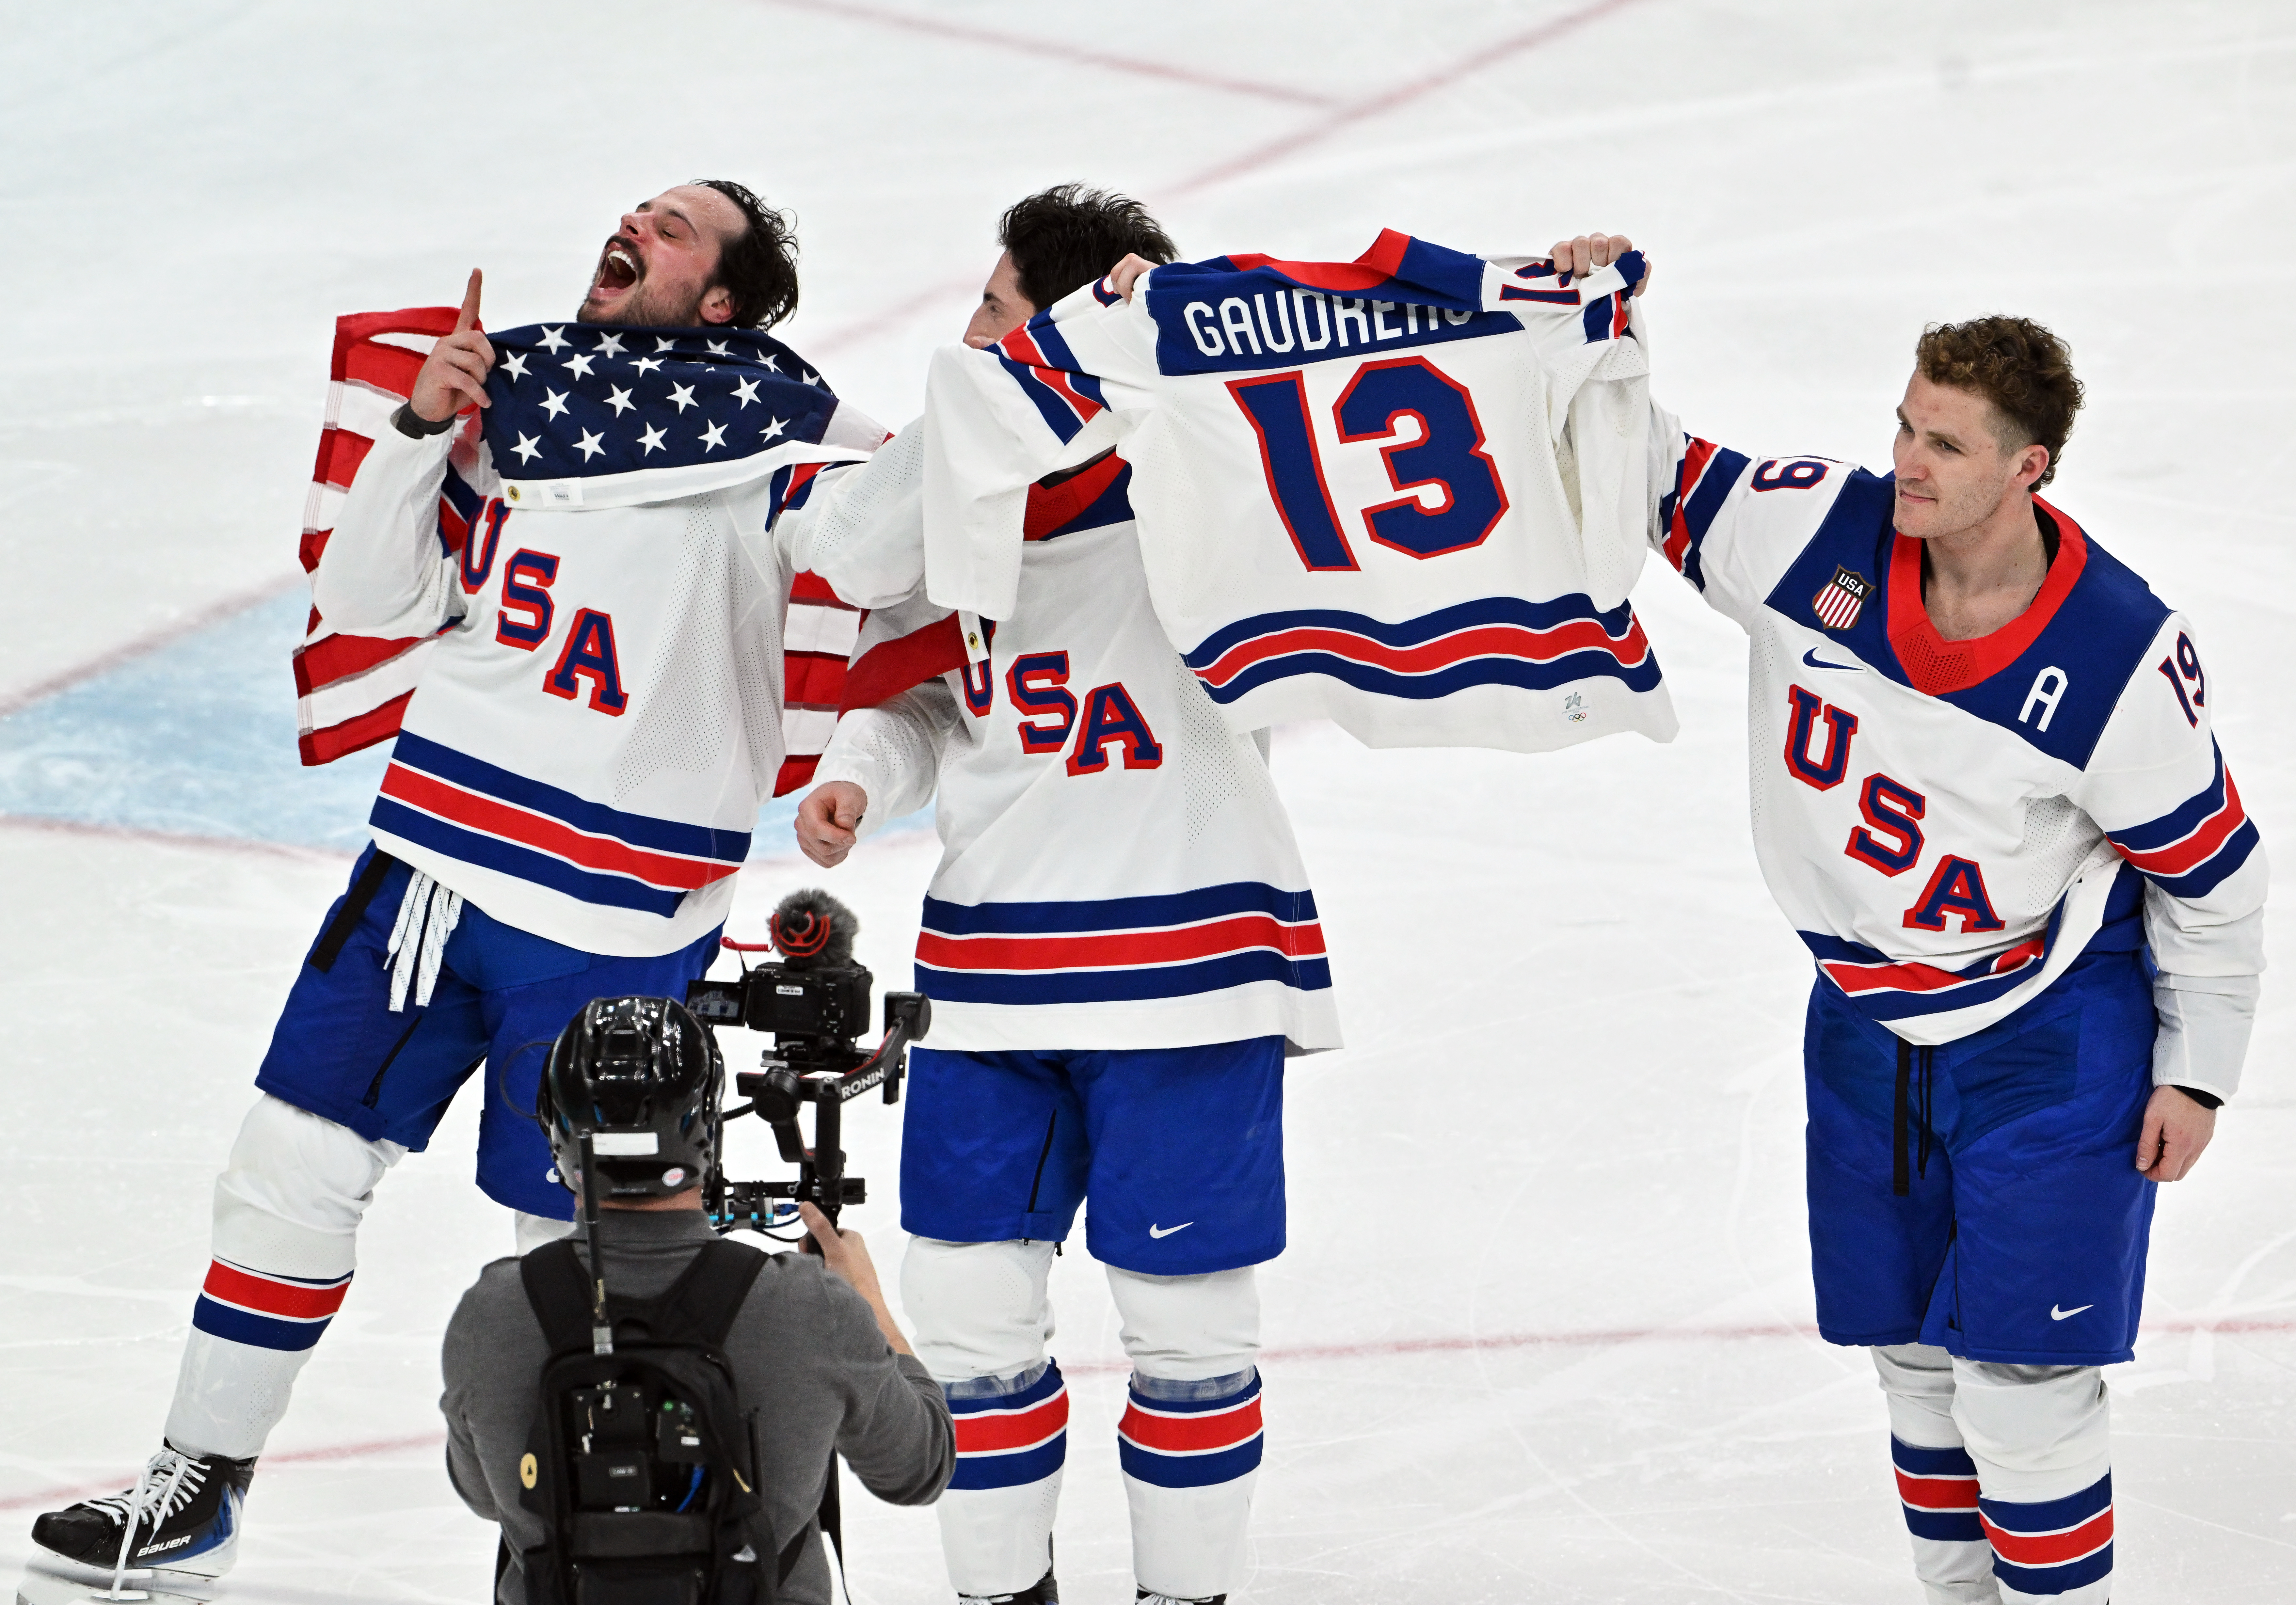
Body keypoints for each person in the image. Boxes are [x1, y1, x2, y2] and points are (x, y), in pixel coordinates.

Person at [23, 180, 888, 1601]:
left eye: (675, 228)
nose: (637, 227)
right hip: (434, 862)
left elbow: (900, 563)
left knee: (587, 1246)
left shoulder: (786, 443)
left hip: (614, 911)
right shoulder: (522, 400)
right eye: (640, 210)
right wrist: (422, 428)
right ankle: (198, 1488)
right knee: (288, 1170)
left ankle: (587, 1543)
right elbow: (371, 598)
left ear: (723, 300)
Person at [1552, 229, 2265, 1604]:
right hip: (1864, 1019)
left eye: (1943, 441)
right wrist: (1594, 325)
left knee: (2024, 1381)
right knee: (1917, 1363)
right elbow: (1641, 468)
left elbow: (2211, 874)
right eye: (1904, 423)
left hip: (2049, 1031)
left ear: (2028, 467)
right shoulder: (1818, 526)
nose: (1908, 463)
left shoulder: (2117, 652)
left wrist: (2198, 1068)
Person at [786, 185, 1342, 1605]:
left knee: (1190, 1332)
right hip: (992, 975)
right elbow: (856, 572)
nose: (971, 335)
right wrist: (862, 761)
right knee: (970, 1326)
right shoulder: (959, 487)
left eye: (997, 308)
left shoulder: (1203, 467)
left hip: (1189, 961)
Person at [440, 994, 953, 1605]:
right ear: (705, 1130)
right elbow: (920, 1468)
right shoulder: (810, 1307)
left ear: (560, 1139)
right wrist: (865, 1302)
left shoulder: (494, 1312)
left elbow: (482, 1495)